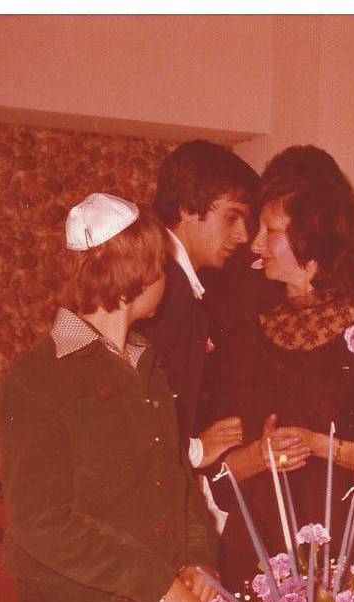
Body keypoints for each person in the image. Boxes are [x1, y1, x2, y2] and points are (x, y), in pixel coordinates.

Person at [0, 193, 219, 602]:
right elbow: (41, 522)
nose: (166, 277)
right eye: (162, 265)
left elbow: (178, 482)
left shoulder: (147, 367)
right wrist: (156, 584)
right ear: (137, 273)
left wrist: (199, 560)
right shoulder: (38, 378)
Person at [208, 145, 354, 591]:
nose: (255, 244)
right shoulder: (243, 337)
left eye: (270, 230)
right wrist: (257, 456)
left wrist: (323, 446)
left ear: (311, 241)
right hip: (260, 558)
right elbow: (218, 478)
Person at [140, 140, 260, 484]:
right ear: (186, 209)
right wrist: (193, 449)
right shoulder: (164, 290)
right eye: (232, 217)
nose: (244, 235)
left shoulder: (178, 285)